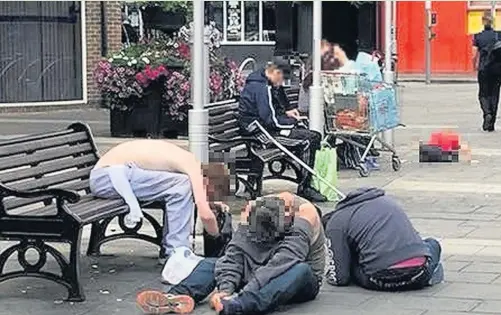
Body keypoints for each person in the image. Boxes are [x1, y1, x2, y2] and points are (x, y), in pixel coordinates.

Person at [136, 192, 325, 315]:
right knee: (213, 263)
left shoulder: (305, 215)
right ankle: (176, 297)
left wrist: (246, 291)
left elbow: (283, 262)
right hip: (256, 269)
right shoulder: (253, 210)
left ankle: (243, 306)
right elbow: (235, 254)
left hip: (294, 276)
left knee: (299, 270)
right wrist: (225, 288)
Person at [89, 140, 230, 264]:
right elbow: (205, 214)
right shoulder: (194, 169)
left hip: (108, 175)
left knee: (179, 188)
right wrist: (218, 236)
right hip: (108, 178)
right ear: (207, 181)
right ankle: (176, 252)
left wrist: (212, 203)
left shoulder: (188, 159)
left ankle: (175, 248)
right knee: (182, 185)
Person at [323, 187, 444, 291]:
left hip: (379, 278)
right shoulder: (387, 201)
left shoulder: (335, 224)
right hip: (420, 273)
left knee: (350, 264)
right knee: (432, 243)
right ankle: (430, 271)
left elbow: (340, 279)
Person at [238, 63, 326, 202]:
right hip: (262, 136)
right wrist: (290, 124)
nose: (281, 83)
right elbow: (269, 119)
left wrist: (288, 115)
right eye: (282, 79)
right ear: (275, 73)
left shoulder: (264, 84)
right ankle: (305, 186)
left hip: (265, 130)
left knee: (312, 135)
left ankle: (306, 182)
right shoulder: (262, 88)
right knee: (309, 140)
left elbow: (274, 112)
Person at [473, 11, 501, 132]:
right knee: (495, 95)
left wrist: (474, 66)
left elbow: (473, 54)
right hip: (497, 69)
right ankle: (491, 123)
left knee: (483, 94)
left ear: (483, 22)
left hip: (484, 68)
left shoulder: (478, 36)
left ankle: (487, 113)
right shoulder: (499, 35)